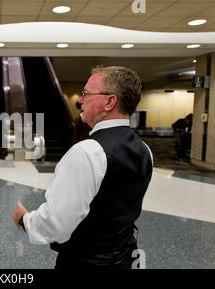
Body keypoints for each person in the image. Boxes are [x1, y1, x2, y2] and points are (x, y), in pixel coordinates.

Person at [13, 66, 153, 269]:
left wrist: (25, 220)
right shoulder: (144, 149)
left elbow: (57, 223)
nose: (80, 100)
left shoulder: (88, 152)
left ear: (110, 102)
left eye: (86, 94)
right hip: (127, 259)